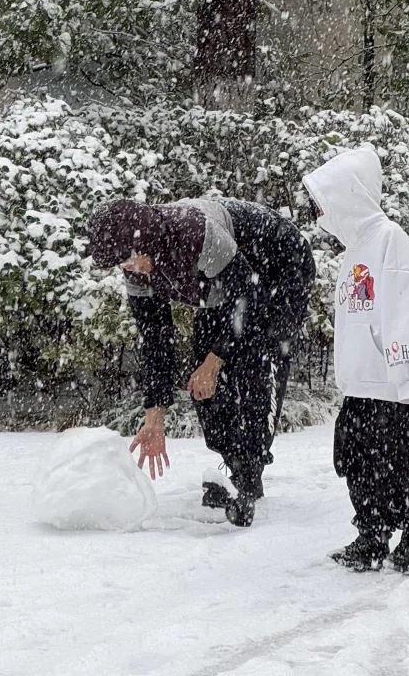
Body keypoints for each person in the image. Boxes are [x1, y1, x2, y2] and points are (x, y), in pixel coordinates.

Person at [88, 193, 316, 526]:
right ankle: (234, 463)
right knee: (201, 380)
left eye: (130, 258)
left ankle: (248, 473)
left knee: (257, 358)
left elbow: (249, 299)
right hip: (226, 285)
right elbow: (157, 342)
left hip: (279, 263)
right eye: (121, 263)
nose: (128, 268)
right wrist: (155, 414)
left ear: (147, 240)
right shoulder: (137, 272)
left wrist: (215, 360)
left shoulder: (194, 234)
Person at [303, 144, 409, 572]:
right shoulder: (353, 251)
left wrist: (405, 374)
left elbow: (406, 306)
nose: (322, 214)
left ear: (351, 196)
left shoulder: (389, 238)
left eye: (326, 203)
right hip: (362, 384)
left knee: (407, 463)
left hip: (397, 385)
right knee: (359, 462)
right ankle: (372, 533)